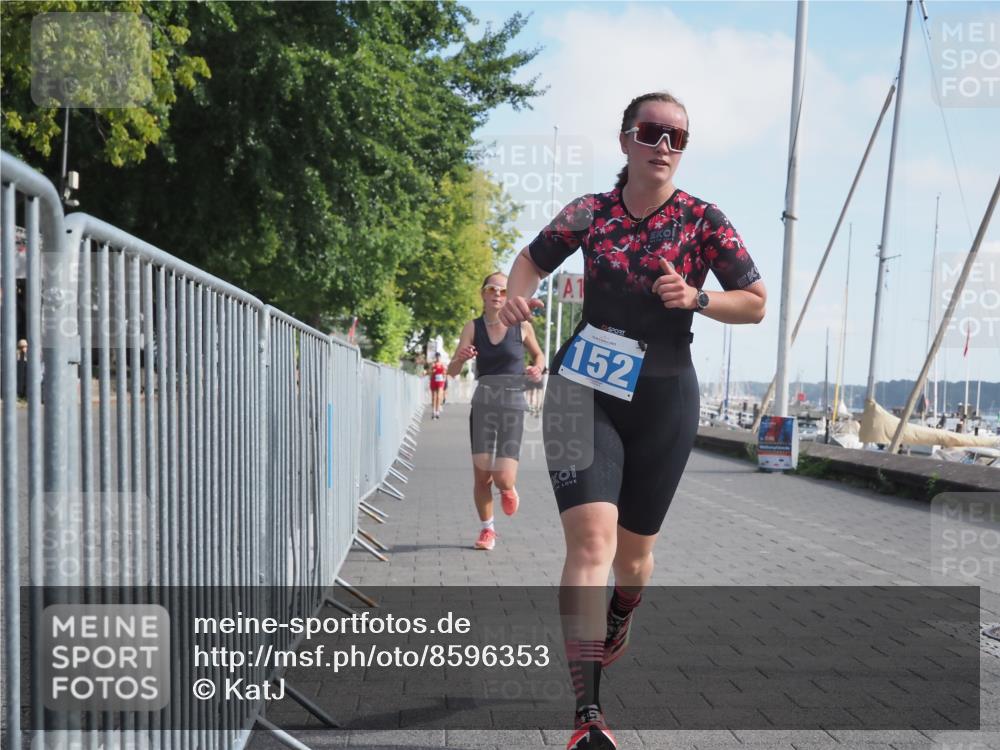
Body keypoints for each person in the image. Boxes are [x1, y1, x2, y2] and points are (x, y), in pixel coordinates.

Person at [498, 92, 766, 750]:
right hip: (578, 387)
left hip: (664, 398)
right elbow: (531, 260)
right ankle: (587, 715)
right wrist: (515, 297)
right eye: (652, 132)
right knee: (591, 544)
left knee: (634, 560)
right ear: (626, 141)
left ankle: (623, 609)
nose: (665, 144)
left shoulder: (706, 221)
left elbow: (756, 303)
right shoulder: (590, 212)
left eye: (678, 135)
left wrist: (700, 296)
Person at [448, 272, 545, 551]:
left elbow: (539, 355)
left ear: (509, 296)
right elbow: (453, 372)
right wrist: (460, 358)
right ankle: (487, 530)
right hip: (483, 405)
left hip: (513, 404)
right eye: (492, 289)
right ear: (483, 294)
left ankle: (508, 488)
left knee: (502, 476)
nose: (498, 295)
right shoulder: (472, 327)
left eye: (503, 291)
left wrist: (538, 367)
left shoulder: (522, 326)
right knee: (482, 476)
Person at [428, 352, 447, 419]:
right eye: (437, 356)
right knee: (434, 397)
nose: (438, 358)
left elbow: (445, 373)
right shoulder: (433, 364)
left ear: (440, 357)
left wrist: (444, 378)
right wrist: (432, 371)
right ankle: (433, 411)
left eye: (439, 356)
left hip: (440, 381)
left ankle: (437, 411)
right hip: (434, 381)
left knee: (439, 397)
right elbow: (429, 372)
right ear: (435, 357)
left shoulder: (442, 364)